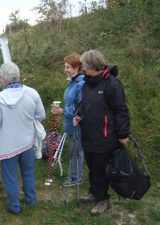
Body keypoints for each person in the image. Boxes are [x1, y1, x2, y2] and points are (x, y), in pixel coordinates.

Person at [73, 50, 130, 216]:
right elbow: (83, 105)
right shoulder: (86, 83)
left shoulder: (112, 84)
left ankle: (103, 200)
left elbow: (121, 111)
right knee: (92, 168)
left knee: (100, 170)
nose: (82, 68)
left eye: (84, 65)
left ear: (92, 66)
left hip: (105, 137)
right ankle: (93, 193)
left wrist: (123, 134)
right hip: (88, 134)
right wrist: (78, 115)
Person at [0, 62, 45, 214]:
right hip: (27, 143)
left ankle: (14, 206)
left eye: (0, 78)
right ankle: (31, 201)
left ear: (4, 79)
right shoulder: (31, 93)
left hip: (7, 147)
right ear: (17, 76)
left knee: (10, 177)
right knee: (28, 173)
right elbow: (41, 116)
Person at [51, 53, 85, 187]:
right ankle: (73, 176)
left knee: (77, 151)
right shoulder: (71, 82)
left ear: (77, 68)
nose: (65, 70)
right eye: (65, 67)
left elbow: (81, 107)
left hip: (78, 124)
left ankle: (76, 178)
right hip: (70, 123)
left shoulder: (81, 84)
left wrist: (63, 112)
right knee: (73, 151)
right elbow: (71, 103)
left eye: (68, 67)